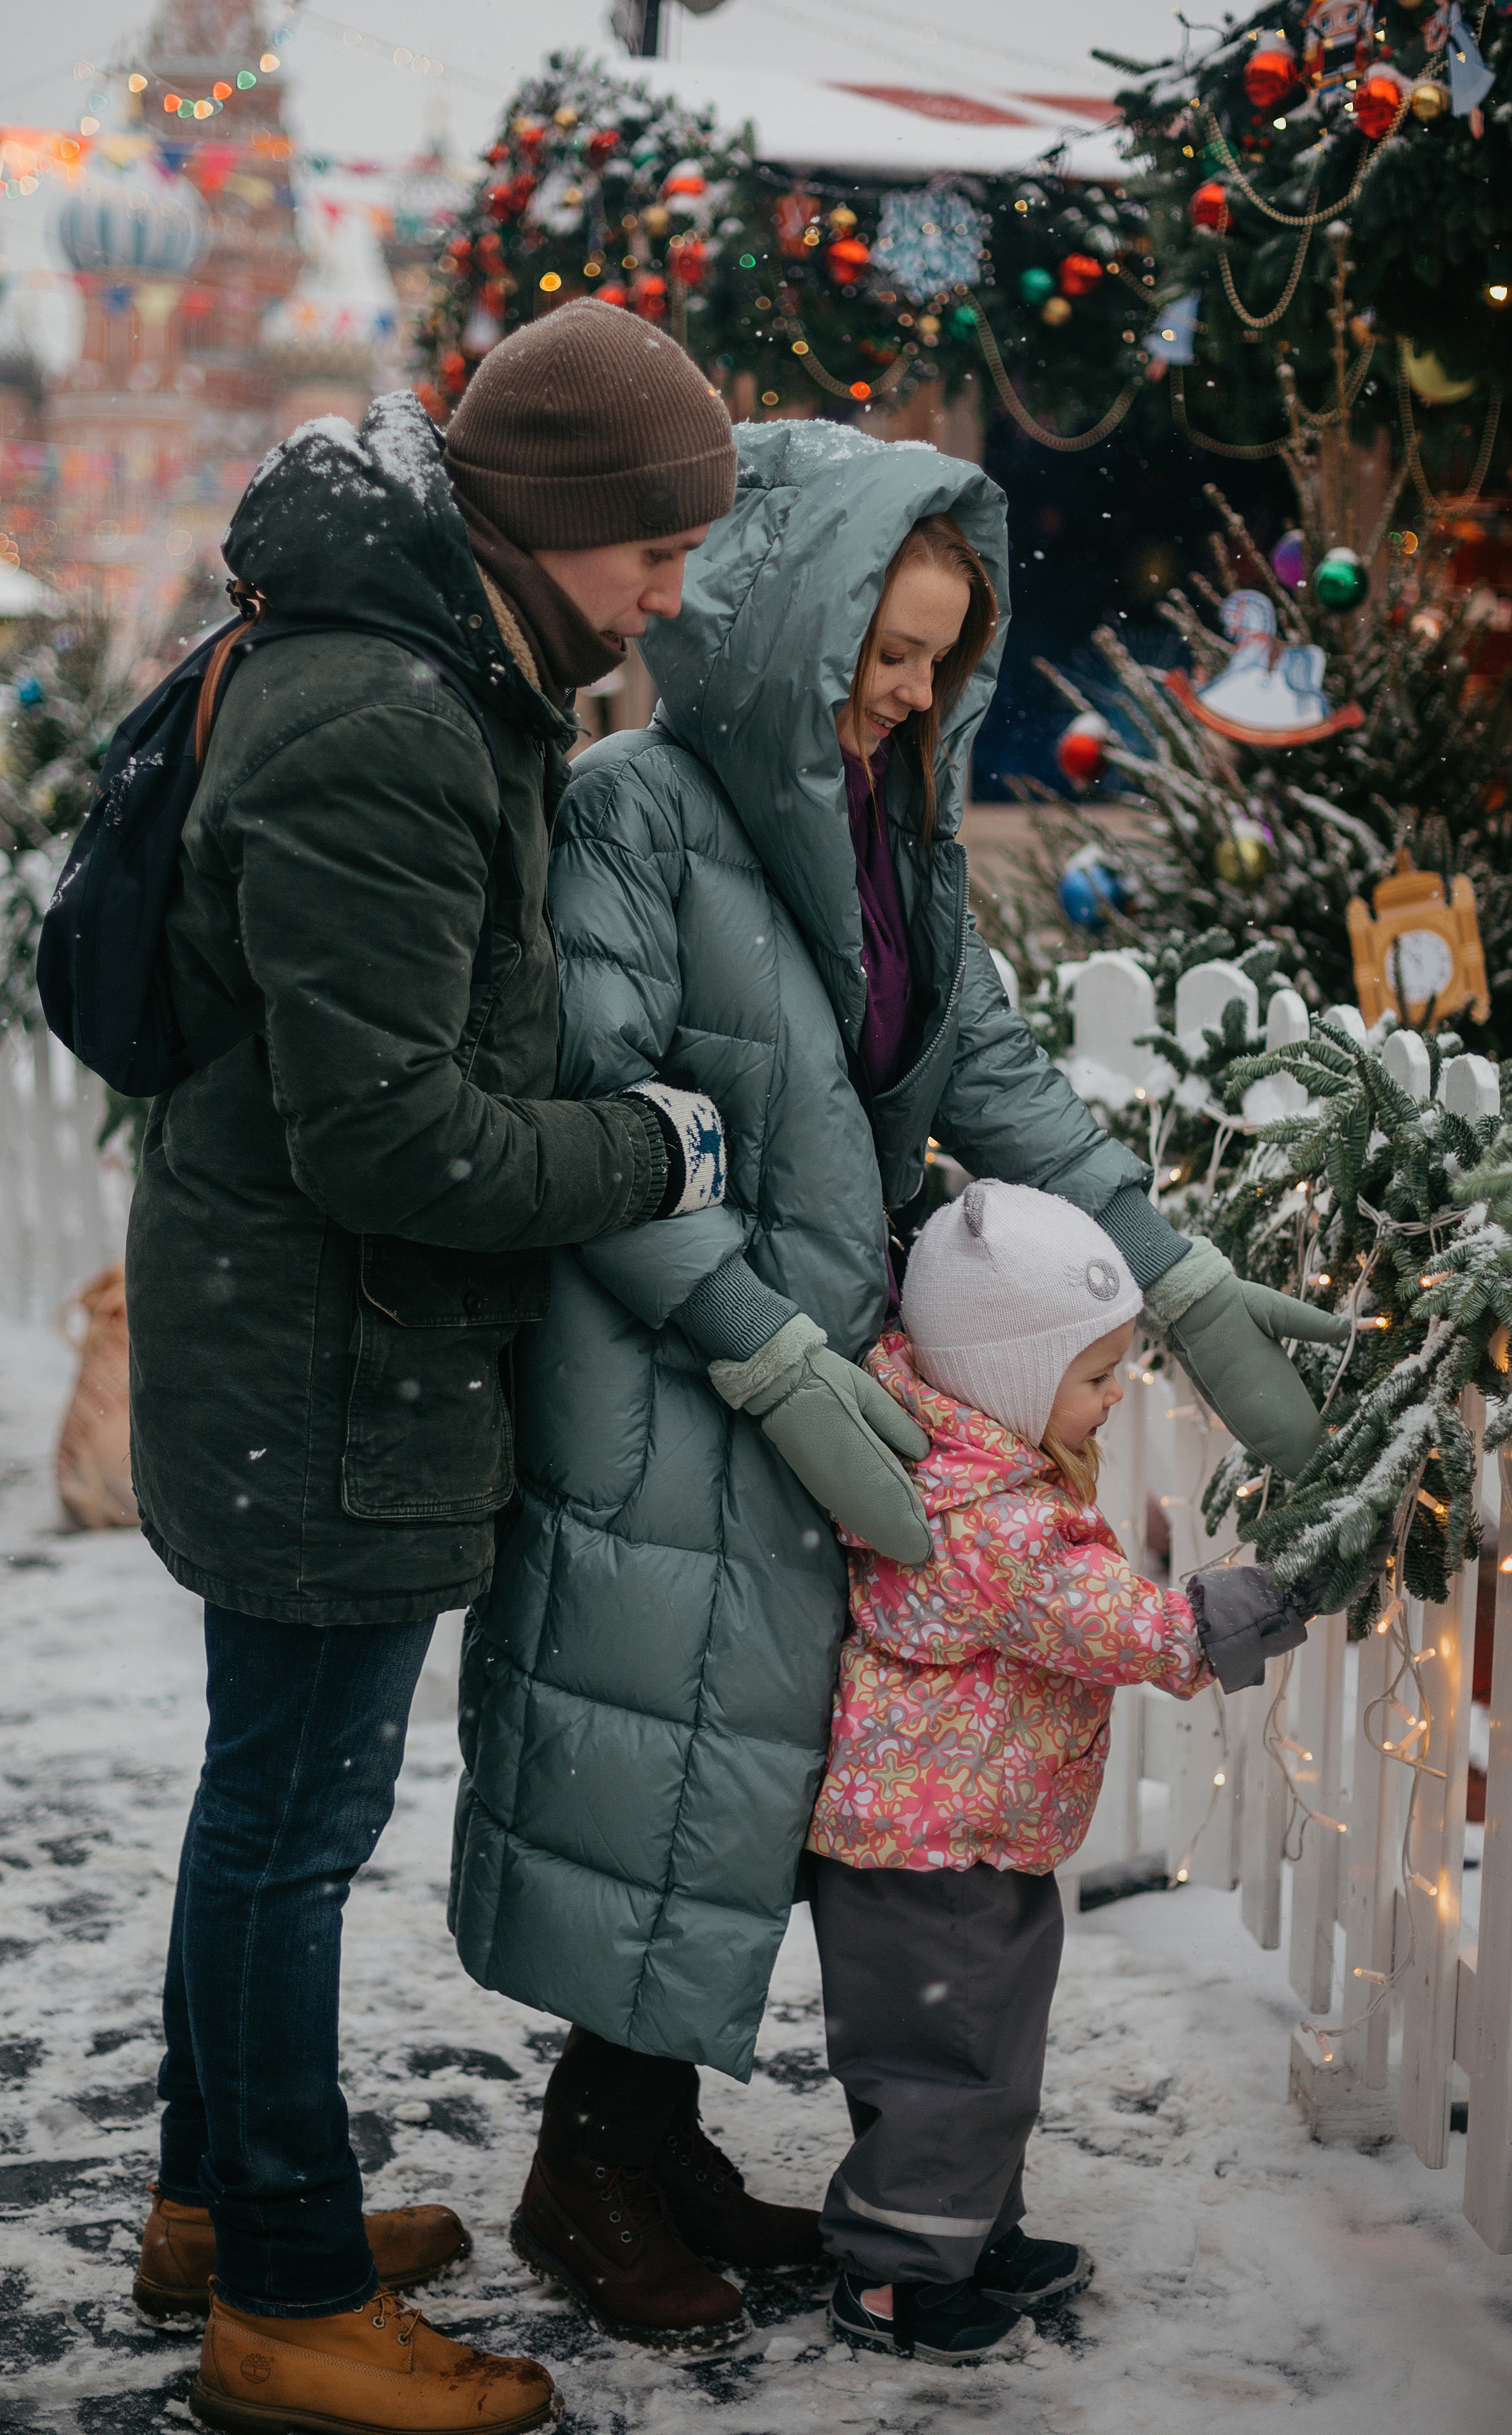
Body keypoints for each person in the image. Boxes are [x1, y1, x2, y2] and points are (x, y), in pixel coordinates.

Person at [447, 419, 1350, 2353]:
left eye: (944, 655)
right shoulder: (635, 813)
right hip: (673, 1359)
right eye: (890, 653)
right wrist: (756, 1339)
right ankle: (589, 2167)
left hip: (824, 1361)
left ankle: (659, 2146)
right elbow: (595, 1112)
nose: (918, 692)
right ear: (790, 627)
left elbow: (997, 1080)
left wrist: (1173, 1272)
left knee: (772, 1767)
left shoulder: (901, 822)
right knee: (682, 1755)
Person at [123, 303, 737, 2435]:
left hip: (305, 1341)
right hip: (329, 1357)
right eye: (654, 542)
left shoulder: (416, 671)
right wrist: (652, 1144)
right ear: (558, 522)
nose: (675, 586)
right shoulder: (387, 714)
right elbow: (394, 1137)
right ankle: (286, 2300)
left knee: (263, 1807)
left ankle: (222, 2201)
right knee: (290, 1831)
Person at [805, 1178, 1316, 2364]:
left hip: (956, 1839)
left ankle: (965, 2232)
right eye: (1093, 1377)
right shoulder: (990, 1519)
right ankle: (895, 2282)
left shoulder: (964, 1461)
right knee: (950, 2069)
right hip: (937, 1856)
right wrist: (1279, 1597)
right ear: (1008, 1381)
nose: (1111, 1398)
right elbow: (1137, 1630)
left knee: (976, 2062)